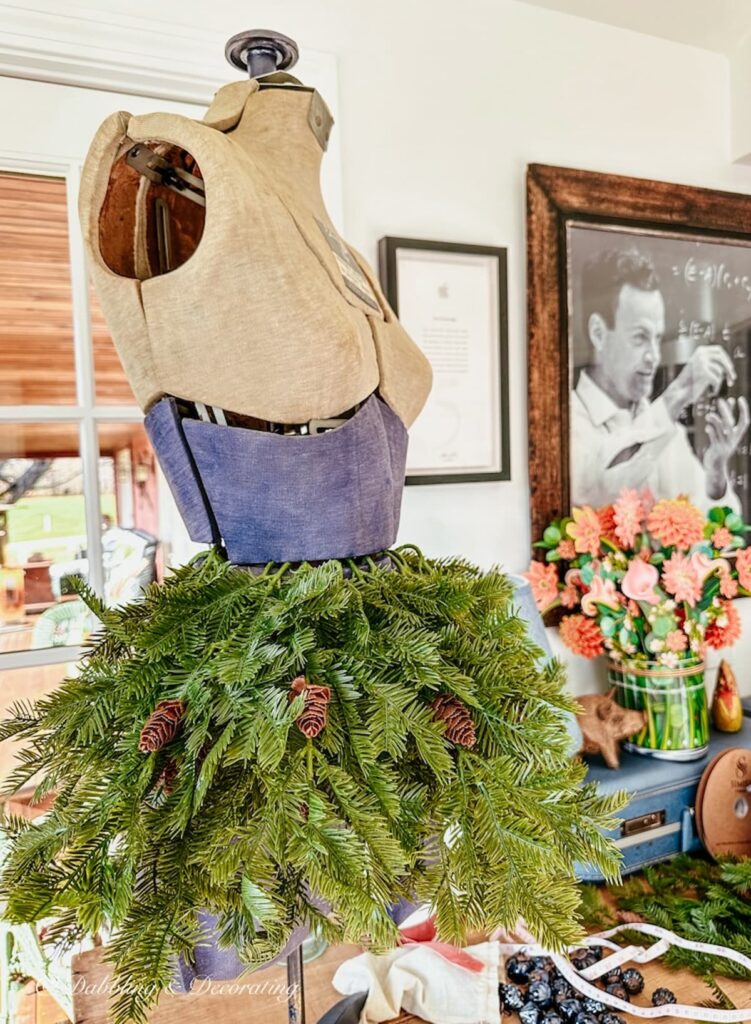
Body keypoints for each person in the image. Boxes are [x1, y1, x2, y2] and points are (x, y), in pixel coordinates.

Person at [571, 248, 749, 512]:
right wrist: (680, 391)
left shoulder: (667, 430)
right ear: (598, 333)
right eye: (640, 337)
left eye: (657, 338)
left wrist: (715, 474)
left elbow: (720, 532)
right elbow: (595, 490)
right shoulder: (566, 420)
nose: (654, 356)